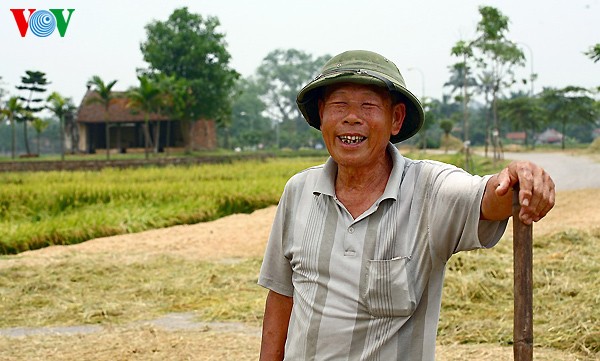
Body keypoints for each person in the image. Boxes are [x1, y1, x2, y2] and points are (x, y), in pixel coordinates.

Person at [257, 50, 555, 361]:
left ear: (395, 119)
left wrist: (515, 177)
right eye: (339, 104)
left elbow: (489, 197)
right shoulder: (299, 190)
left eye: (368, 106)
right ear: (322, 115)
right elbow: (282, 295)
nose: (351, 117)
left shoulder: (430, 188)